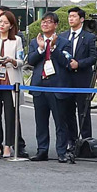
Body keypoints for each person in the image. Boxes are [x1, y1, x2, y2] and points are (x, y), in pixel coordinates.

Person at [26, 13, 73, 162]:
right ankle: (42, 150)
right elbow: (31, 61)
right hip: (40, 86)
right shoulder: (35, 42)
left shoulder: (64, 42)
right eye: (43, 22)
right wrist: (41, 49)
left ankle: (61, 151)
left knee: (60, 122)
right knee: (41, 122)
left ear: (56, 25)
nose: (45, 24)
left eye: (49, 22)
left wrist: (52, 48)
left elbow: (66, 62)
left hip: (57, 86)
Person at [0, 9, 24, 159]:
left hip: (10, 81)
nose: (2, 25)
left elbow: (21, 61)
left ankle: (8, 146)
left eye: (6, 22)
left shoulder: (17, 40)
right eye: (0, 21)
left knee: (10, 116)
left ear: (11, 25)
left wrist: (12, 60)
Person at [62, 8, 97, 155]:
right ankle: (72, 141)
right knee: (68, 112)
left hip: (83, 79)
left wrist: (79, 63)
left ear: (81, 19)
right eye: (69, 16)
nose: (71, 19)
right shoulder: (63, 36)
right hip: (66, 79)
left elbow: (93, 57)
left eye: (74, 16)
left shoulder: (89, 37)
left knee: (83, 112)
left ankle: (86, 142)